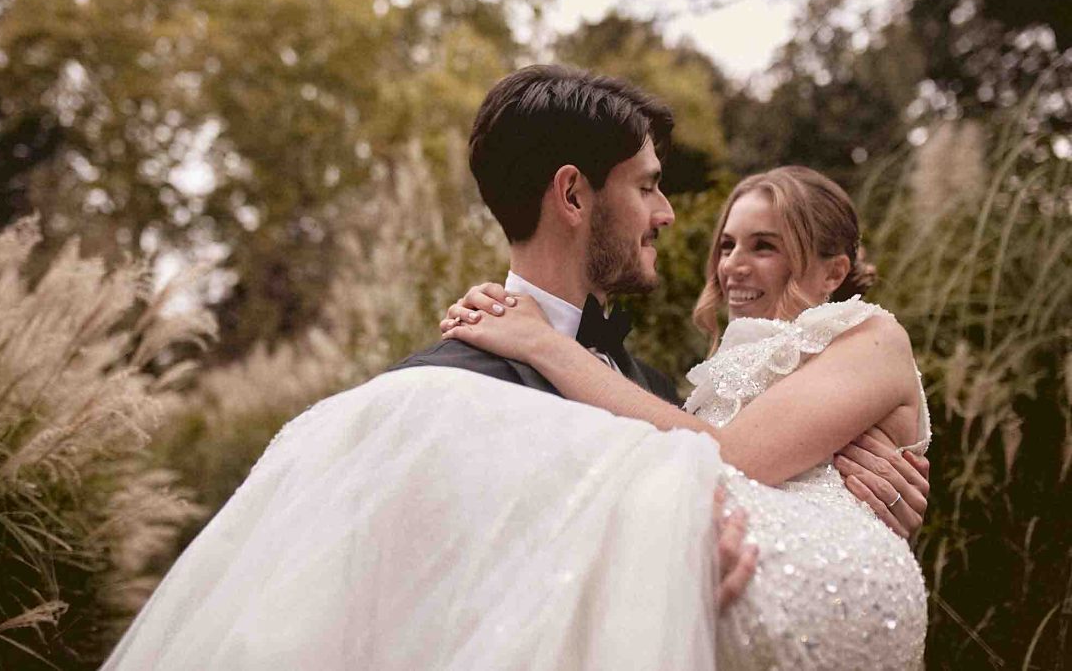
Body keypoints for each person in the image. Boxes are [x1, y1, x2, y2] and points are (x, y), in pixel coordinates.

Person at [101, 67, 927, 670]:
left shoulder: (650, 392)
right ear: (572, 196)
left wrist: (826, 508)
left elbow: (734, 476)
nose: (668, 215)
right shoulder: (440, 400)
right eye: (646, 187)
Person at [442, 164, 931, 668]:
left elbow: (732, 458)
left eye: (764, 247)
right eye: (727, 246)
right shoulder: (705, 383)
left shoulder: (871, 335)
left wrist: (542, 342)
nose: (733, 266)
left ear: (833, 272)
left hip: (825, 609)